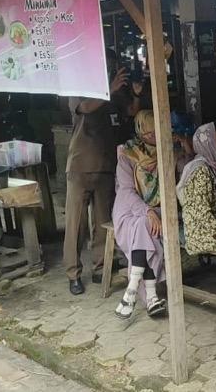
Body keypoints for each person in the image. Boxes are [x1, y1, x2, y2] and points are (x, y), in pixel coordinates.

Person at [63, 49, 131, 295]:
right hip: (81, 166)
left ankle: (101, 267)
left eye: (112, 65)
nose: (109, 69)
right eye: (106, 64)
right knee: (76, 223)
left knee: (103, 222)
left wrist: (135, 91)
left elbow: (132, 111)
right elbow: (85, 107)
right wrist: (110, 89)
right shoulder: (80, 86)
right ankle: (73, 273)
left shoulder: (114, 90)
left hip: (106, 165)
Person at [177, 122, 216, 323]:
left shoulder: (213, 165)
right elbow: (202, 214)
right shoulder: (202, 171)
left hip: (209, 228)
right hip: (201, 233)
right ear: (209, 144)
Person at [113, 110, 168, 319]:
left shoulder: (169, 148)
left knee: (144, 225)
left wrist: (186, 147)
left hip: (159, 207)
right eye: (147, 133)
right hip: (128, 207)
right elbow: (126, 191)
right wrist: (146, 211)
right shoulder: (127, 153)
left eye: (156, 131)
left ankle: (132, 291)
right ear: (139, 131)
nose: (152, 136)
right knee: (143, 224)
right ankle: (151, 297)